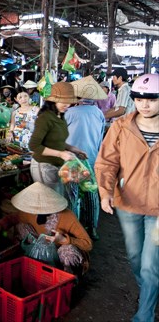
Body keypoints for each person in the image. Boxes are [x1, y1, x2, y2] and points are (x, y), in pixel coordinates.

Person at [95, 73, 159, 322]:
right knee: (134, 258)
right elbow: (107, 162)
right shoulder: (122, 126)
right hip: (128, 204)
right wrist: (105, 192)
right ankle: (149, 292)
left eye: (152, 99)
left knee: (149, 264)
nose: (145, 104)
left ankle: (144, 315)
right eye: (140, 98)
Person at [0, 182, 92, 274]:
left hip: (60, 255)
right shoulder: (30, 212)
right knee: (21, 227)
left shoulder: (67, 216)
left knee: (67, 250)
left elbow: (88, 244)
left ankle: (68, 278)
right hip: (41, 250)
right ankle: (31, 264)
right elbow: (13, 218)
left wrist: (65, 239)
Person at [29, 82, 87, 194]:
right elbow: (33, 146)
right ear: (53, 100)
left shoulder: (60, 116)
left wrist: (73, 149)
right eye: (64, 102)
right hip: (44, 166)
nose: (67, 105)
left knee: (58, 203)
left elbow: (55, 141)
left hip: (56, 166)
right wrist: (60, 154)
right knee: (51, 205)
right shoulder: (45, 118)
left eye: (69, 102)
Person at [65, 95, 106, 240]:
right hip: (91, 157)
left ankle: (75, 230)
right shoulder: (99, 113)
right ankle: (92, 228)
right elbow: (101, 138)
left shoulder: (69, 113)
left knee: (73, 195)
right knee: (91, 194)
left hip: (72, 160)